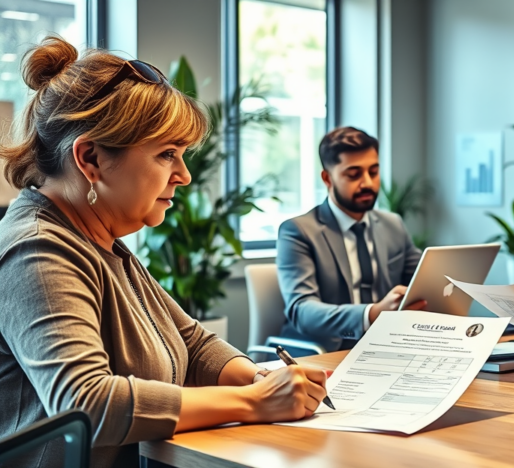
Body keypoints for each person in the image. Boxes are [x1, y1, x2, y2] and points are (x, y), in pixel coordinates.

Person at [0, 36, 327, 467]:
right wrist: (255, 401)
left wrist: (261, 376)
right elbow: (86, 403)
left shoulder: (100, 241)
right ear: (90, 158)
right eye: (167, 154)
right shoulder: (38, 250)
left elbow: (192, 342)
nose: (184, 175)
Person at [276, 127, 426, 353]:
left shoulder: (392, 224)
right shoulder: (298, 232)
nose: (368, 183)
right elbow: (302, 310)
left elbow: (422, 281)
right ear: (327, 178)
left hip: (386, 347)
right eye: (354, 174)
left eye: (373, 172)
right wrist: (372, 314)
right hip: (326, 352)